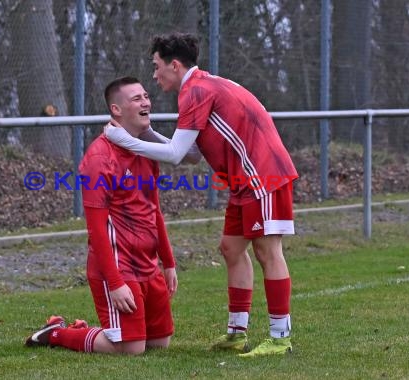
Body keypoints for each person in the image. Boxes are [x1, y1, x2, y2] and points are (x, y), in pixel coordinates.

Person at [104, 33, 298, 357]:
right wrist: (142, 131)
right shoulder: (199, 87)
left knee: (268, 252)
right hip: (244, 182)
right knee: (231, 249)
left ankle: (280, 337)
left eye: (156, 66)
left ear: (174, 65)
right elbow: (192, 153)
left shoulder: (195, 90)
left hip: (263, 176)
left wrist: (122, 139)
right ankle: (237, 333)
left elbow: (176, 155)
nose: (154, 75)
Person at [25, 76, 181, 355]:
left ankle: (92, 328)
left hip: (148, 264)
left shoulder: (145, 150)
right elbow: (97, 230)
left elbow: (154, 209)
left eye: (146, 96)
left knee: (159, 342)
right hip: (118, 267)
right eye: (136, 98)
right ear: (116, 110)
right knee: (130, 349)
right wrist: (115, 282)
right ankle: (58, 333)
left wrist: (168, 262)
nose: (146, 101)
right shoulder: (100, 157)